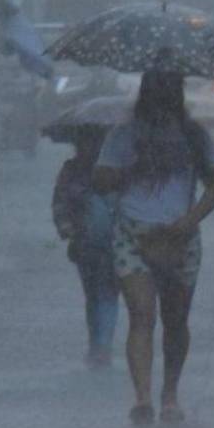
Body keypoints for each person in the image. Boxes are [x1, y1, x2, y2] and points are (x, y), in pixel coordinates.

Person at [93, 71, 214, 424]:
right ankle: (142, 397)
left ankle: (170, 393)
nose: (162, 100)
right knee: (141, 314)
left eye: (169, 92)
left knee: (176, 319)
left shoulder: (195, 137)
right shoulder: (124, 135)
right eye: (156, 92)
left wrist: (191, 219)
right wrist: (132, 167)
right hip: (133, 235)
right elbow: (101, 179)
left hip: (181, 236)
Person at [53, 128, 119, 367]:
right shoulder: (72, 170)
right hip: (85, 245)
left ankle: (102, 346)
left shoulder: (118, 169)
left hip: (113, 244)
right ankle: (97, 344)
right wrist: (68, 230)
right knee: (94, 295)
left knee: (106, 294)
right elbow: (60, 204)